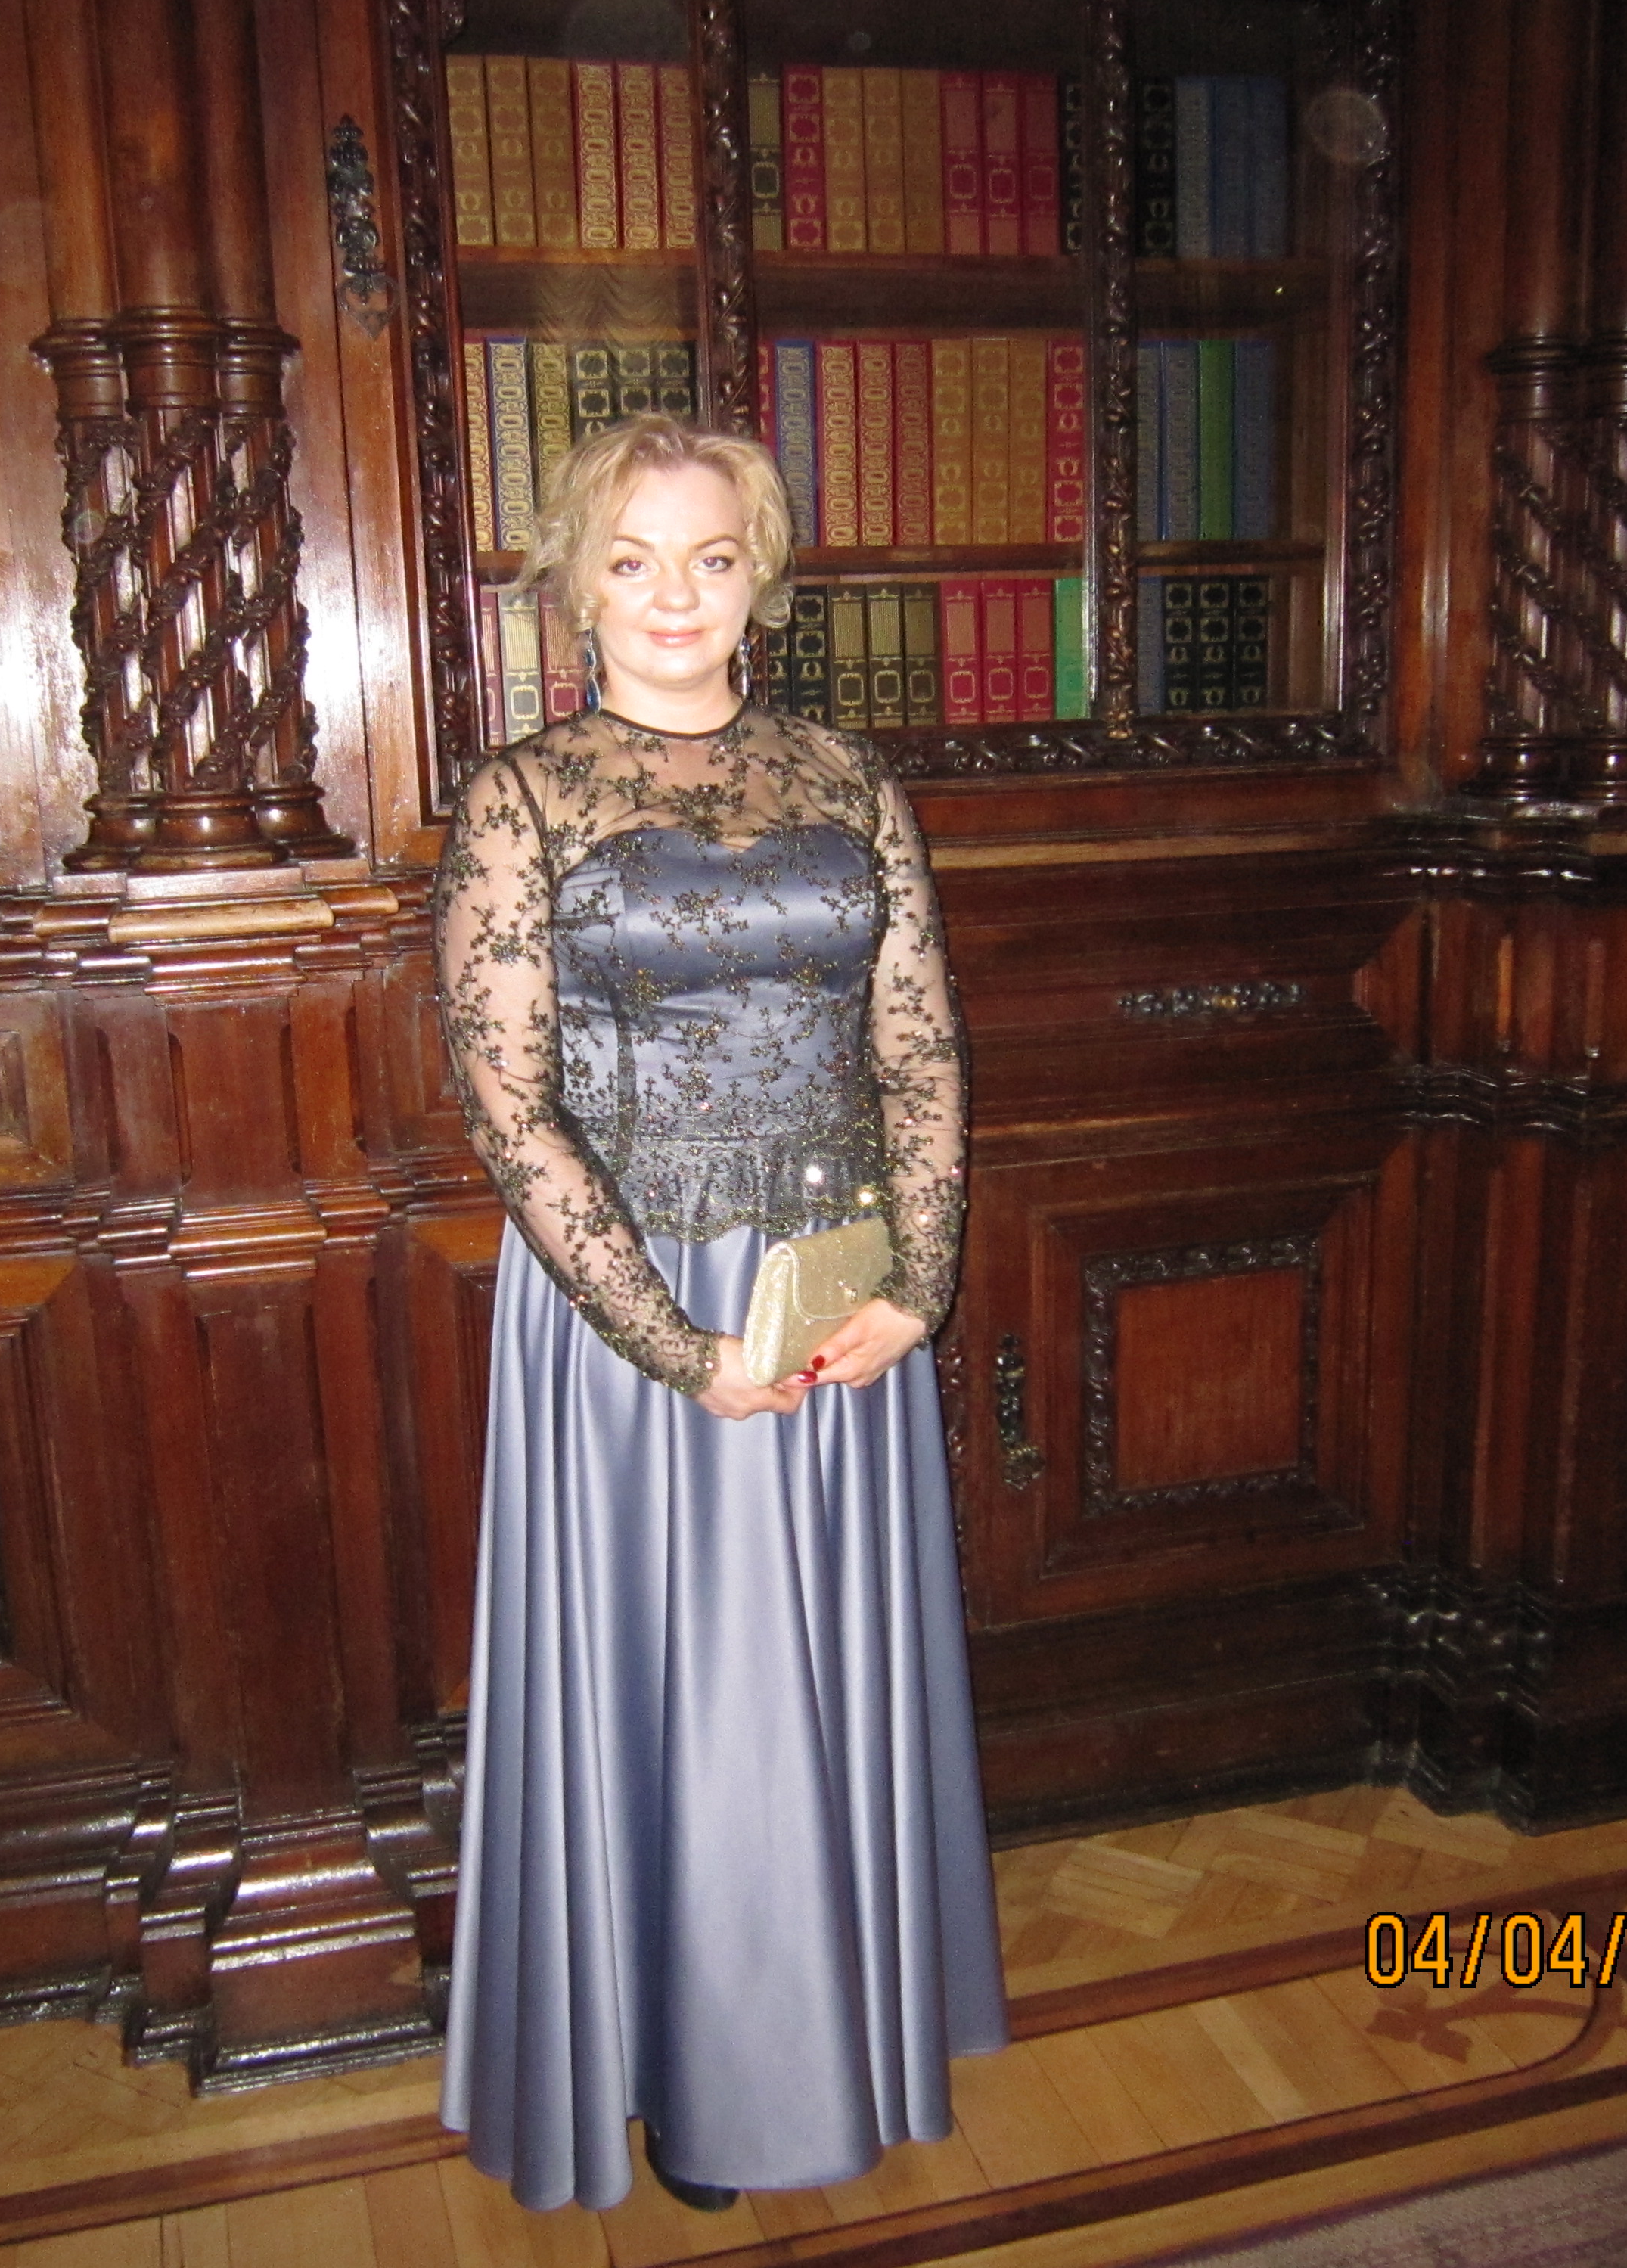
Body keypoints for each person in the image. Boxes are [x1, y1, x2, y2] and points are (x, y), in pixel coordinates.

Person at [430, 414, 1008, 2214]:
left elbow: (917, 1044)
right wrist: (677, 1349)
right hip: (634, 1318)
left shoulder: (847, 774)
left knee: (811, 1689)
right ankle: (686, 2072)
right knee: (681, 1697)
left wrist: (917, 1284)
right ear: (574, 583)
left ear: (760, 576)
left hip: (838, 1301)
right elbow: (506, 1104)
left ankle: (826, 2037)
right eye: (631, 559)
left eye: (708, 556)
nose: (672, 595)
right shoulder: (520, 797)